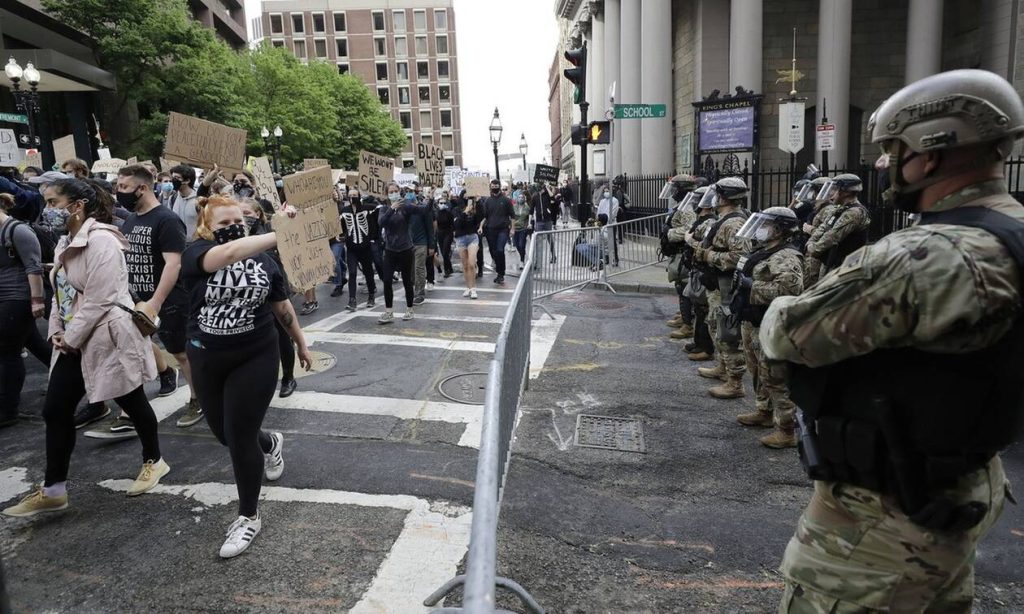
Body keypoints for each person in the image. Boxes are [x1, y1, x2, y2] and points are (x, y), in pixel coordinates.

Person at [763, 69, 1023, 612]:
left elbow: (788, 334)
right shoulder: (1012, 231)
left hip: (881, 526)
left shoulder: (921, 255)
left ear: (931, 153)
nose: (883, 163)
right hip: (960, 487)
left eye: (893, 149)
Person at [2, 178, 169, 517]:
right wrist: (55, 331)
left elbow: (100, 299)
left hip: (105, 337)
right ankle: (54, 489)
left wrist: (71, 336)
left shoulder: (103, 243)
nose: (46, 209)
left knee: (131, 399)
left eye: (52, 202)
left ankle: (154, 460)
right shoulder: (66, 240)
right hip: (74, 340)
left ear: (76, 206)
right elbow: (62, 295)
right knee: (55, 409)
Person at [182, 195, 312, 558]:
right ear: (207, 227)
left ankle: (248, 516)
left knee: (239, 438)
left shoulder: (265, 263)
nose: (233, 228)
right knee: (225, 434)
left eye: (238, 221)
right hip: (206, 356)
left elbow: (281, 306)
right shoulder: (196, 253)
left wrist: (300, 343)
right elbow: (225, 256)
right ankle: (270, 443)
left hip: (255, 354)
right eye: (223, 224)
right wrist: (280, 231)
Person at [730, 207, 803, 448]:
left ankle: (786, 429)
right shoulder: (764, 251)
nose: (760, 229)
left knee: (774, 377)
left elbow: (791, 291)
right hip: (753, 320)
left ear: (780, 229)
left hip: (770, 324)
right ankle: (763, 410)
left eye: (766, 224)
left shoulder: (786, 256)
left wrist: (753, 287)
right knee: (757, 370)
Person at [693, 177, 749, 399]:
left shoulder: (734, 223)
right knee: (716, 326)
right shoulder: (723, 219)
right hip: (716, 282)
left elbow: (739, 257)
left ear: (725, 197)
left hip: (726, 285)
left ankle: (735, 382)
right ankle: (723, 367)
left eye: (718, 194)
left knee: (727, 332)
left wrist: (708, 254)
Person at [0, 193, 44, 427]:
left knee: (8, 351)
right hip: (6, 299)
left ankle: (8, 410)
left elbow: (33, 267)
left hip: (18, 297)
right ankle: (73, 382)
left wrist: (37, 300)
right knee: (37, 345)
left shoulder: (17, 230)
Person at [804, 173, 871, 277]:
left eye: (834, 190)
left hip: (846, 267)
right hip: (832, 264)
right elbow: (824, 228)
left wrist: (814, 248)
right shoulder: (839, 209)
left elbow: (832, 236)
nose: (831, 194)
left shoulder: (854, 212)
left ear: (845, 192)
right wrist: (811, 243)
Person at [682, 187, 717, 361]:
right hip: (696, 268)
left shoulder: (710, 222)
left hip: (704, 269)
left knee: (704, 309)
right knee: (698, 306)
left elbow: (706, 246)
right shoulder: (700, 220)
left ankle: (706, 347)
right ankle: (698, 343)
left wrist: (690, 241)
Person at [378, 182, 420, 323]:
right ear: (387, 194)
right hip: (390, 250)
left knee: (407, 280)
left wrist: (431, 199)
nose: (394, 193)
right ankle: (389, 312)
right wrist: (391, 209)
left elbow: (423, 210)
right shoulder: (384, 208)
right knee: (387, 280)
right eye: (391, 191)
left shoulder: (405, 206)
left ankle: (409, 309)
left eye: (396, 191)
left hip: (406, 248)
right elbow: (381, 222)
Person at [663, 175, 699, 339]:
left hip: (683, 251)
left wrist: (670, 233)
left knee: (684, 286)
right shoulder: (683, 204)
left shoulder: (689, 207)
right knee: (680, 285)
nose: (673, 192)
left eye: (675, 188)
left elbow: (689, 229)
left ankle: (688, 324)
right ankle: (685, 318)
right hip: (677, 251)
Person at [339, 187, 379, 312]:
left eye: (354, 195)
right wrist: (342, 236)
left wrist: (373, 237)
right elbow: (340, 227)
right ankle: (352, 300)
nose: (352, 197)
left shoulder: (367, 209)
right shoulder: (344, 211)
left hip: (365, 247)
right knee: (352, 273)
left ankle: (371, 294)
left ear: (359, 196)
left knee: (368, 272)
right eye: (350, 195)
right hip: (351, 248)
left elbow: (380, 208)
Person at [480, 179, 514, 284]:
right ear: (490, 187)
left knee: (500, 250)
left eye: (496, 186)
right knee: (494, 251)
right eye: (493, 186)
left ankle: (501, 273)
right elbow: (484, 217)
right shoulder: (487, 201)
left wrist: (513, 228)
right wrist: (481, 226)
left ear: (499, 186)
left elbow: (512, 216)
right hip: (490, 230)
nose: (494, 188)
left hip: (503, 229)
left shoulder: (506, 200)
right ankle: (498, 268)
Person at [409, 189, 435, 304]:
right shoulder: (405, 211)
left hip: (421, 243)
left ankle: (419, 293)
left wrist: (431, 245)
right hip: (408, 244)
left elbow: (430, 229)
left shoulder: (423, 210)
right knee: (411, 269)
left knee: (419, 268)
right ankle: (415, 289)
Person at [453, 196, 482, 299]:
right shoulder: (456, 210)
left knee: (471, 263)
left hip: (472, 237)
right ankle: (468, 287)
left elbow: (480, 217)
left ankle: (473, 288)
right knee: (465, 265)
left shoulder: (474, 208)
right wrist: (465, 212)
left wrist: (478, 202)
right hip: (461, 239)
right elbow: (457, 224)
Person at [167, 164, 199, 242]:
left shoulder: (199, 200)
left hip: (195, 245)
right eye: (173, 177)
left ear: (187, 181)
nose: (173, 180)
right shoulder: (172, 198)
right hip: (176, 244)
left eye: (177, 178)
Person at [435, 190, 455, 278]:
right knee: (443, 253)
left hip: (448, 233)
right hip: (440, 233)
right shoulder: (436, 213)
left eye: (444, 203)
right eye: (440, 203)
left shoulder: (449, 213)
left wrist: (453, 234)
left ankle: (447, 270)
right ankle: (449, 268)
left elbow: (452, 224)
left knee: (445, 251)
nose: (442, 204)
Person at [510, 188, 532, 271]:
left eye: (522, 197)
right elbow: (510, 217)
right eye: (519, 197)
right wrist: (510, 227)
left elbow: (528, 217)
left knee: (521, 244)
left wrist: (528, 224)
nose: (521, 199)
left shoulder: (527, 207)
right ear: (517, 198)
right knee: (517, 245)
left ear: (524, 199)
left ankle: (522, 261)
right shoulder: (513, 207)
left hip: (523, 229)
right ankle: (522, 255)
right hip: (515, 228)